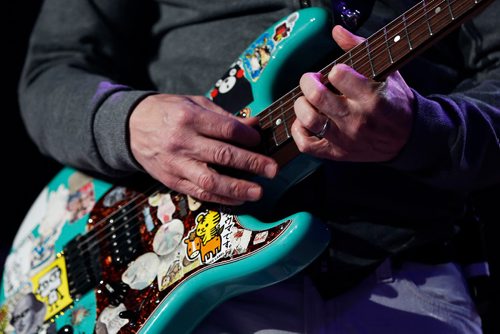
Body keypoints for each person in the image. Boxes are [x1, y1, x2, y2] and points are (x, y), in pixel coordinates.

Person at [17, 0, 500, 333]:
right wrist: (126, 123)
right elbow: (52, 70)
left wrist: (425, 130)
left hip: (403, 276)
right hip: (163, 272)